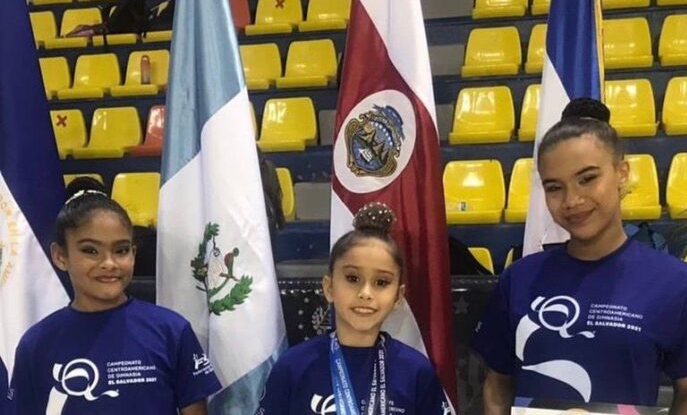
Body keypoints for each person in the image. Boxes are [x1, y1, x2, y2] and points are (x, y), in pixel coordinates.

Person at [472, 98, 687, 414]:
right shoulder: (519, 279)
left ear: (622, 172)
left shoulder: (676, 282)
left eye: (587, 178)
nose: (572, 200)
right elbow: (497, 387)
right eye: (554, 187)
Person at [10, 177, 221, 415]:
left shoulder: (171, 331)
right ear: (60, 256)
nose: (109, 263)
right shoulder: (36, 344)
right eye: (90, 250)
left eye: (121, 250)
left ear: (133, 253)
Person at [256, 202, 451, 414]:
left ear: (398, 297)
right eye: (352, 278)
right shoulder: (293, 366)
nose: (366, 293)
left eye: (381, 282)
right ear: (329, 288)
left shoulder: (416, 371)